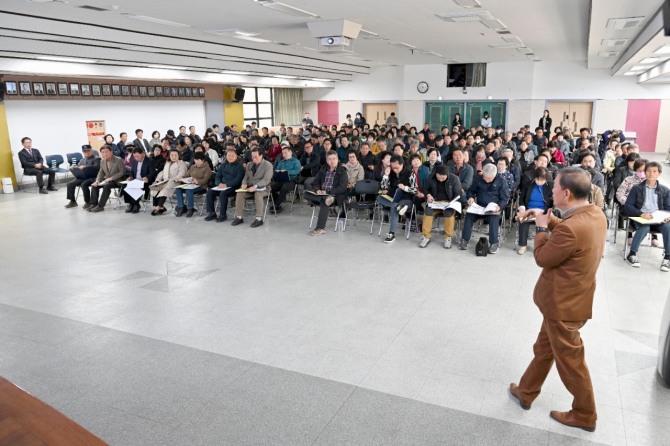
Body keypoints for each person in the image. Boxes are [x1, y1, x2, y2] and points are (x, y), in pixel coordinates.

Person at [510, 167, 606, 433]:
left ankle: (585, 414)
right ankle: (527, 391)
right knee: (544, 348)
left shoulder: (573, 228)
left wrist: (541, 229)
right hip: (570, 300)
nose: (550, 191)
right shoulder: (594, 214)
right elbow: (570, 234)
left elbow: (543, 256)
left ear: (566, 192)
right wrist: (547, 219)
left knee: (571, 362)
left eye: (553, 188)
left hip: (563, 306)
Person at [623, 162, 670, 271]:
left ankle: (667, 258)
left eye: (654, 171)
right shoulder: (636, 188)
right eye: (648, 171)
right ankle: (632, 254)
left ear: (659, 174)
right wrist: (641, 214)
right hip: (641, 218)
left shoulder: (665, 190)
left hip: (658, 219)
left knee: (668, 227)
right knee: (645, 228)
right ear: (645, 172)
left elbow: (668, 207)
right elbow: (628, 206)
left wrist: (668, 216)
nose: (651, 174)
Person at [458, 163, 510, 253]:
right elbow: (471, 191)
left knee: (494, 219)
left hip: (492, 209)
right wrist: (470, 198)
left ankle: (494, 243)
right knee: (469, 215)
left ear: (494, 175)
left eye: (489, 178)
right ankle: (464, 240)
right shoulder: (478, 179)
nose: (486, 180)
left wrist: (499, 206)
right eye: (485, 177)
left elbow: (505, 198)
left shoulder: (501, 181)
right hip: (479, 207)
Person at [419, 164, 463, 249]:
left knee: (449, 214)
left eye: (443, 178)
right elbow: (425, 188)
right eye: (439, 178)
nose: (441, 180)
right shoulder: (431, 177)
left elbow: (458, 193)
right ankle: (426, 236)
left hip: (448, 202)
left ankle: (448, 237)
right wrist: (428, 196)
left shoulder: (454, 179)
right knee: (427, 212)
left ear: (447, 174)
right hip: (435, 201)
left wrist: (452, 202)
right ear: (436, 174)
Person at [306, 150, 348, 236]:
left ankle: (320, 228)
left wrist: (328, 192)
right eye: (330, 159)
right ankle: (325, 198)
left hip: (334, 195)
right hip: (322, 194)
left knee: (325, 201)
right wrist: (317, 190)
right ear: (327, 161)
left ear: (337, 159)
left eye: (334, 159)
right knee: (306, 194)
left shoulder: (342, 171)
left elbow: (342, 187)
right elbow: (316, 182)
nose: (332, 161)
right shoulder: (323, 169)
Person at [375, 155, 416, 244]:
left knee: (395, 207)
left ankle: (391, 234)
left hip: (406, 198)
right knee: (379, 197)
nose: (395, 170)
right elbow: (383, 187)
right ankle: (398, 206)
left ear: (402, 164)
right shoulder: (391, 172)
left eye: (397, 168)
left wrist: (405, 188)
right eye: (393, 168)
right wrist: (386, 175)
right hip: (393, 198)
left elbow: (415, 190)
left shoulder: (410, 173)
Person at [231, 148, 274, 228]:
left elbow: (266, 180)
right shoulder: (249, 165)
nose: (253, 159)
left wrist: (256, 186)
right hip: (250, 188)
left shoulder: (268, 165)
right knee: (240, 193)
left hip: (263, 188)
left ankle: (259, 219)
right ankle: (239, 217)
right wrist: (244, 184)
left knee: (258, 194)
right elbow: (246, 177)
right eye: (252, 157)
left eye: (255, 157)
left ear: (261, 156)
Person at [516, 167, 553, 255]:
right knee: (523, 221)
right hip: (529, 210)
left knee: (542, 224)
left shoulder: (550, 186)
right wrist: (522, 207)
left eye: (542, 180)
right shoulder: (528, 184)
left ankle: (540, 247)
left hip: (543, 211)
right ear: (534, 177)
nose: (540, 182)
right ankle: (522, 245)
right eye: (538, 180)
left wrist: (546, 211)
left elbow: (552, 201)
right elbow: (522, 198)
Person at [204, 149, 245, 222]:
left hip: (233, 187)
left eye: (232, 156)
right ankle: (212, 213)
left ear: (236, 157)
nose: (230, 157)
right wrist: (219, 183)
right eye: (229, 155)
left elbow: (238, 180)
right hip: (221, 186)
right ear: (226, 156)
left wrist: (227, 185)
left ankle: (223, 214)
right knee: (210, 192)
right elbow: (218, 176)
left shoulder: (239, 167)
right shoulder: (223, 165)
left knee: (223, 194)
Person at [89, 145, 126, 213]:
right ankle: (94, 204)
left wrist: (112, 178)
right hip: (107, 180)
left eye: (106, 152)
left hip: (117, 180)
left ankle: (100, 206)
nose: (104, 154)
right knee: (94, 185)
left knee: (106, 186)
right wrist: (97, 181)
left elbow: (122, 172)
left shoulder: (118, 160)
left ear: (111, 152)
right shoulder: (102, 161)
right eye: (102, 152)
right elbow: (101, 172)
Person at [174, 152, 212, 218]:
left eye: (198, 160)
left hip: (202, 186)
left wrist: (196, 181)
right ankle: (181, 207)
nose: (196, 162)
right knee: (178, 189)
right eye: (195, 160)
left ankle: (190, 208)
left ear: (203, 160)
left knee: (188, 191)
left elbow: (206, 180)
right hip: (191, 185)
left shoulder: (207, 168)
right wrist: (181, 178)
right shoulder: (192, 167)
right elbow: (187, 175)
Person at [150, 149, 187, 215]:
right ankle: (160, 207)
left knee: (165, 188)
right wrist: (157, 180)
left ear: (178, 156)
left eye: (176, 155)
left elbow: (182, 173)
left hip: (175, 181)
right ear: (169, 156)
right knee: (155, 187)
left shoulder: (181, 163)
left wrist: (173, 179)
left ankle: (159, 207)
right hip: (165, 180)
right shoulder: (167, 163)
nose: (174, 157)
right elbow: (162, 172)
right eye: (172, 155)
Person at [64, 145, 100, 209]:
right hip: (83, 177)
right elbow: (79, 167)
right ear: (83, 152)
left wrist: (85, 167)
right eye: (85, 151)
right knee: (70, 184)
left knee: (84, 184)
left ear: (91, 150)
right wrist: (74, 167)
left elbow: (96, 167)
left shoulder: (97, 158)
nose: (87, 152)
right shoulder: (82, 160)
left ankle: (88, 202)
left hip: (93, 177)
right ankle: (73, 201)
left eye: (88, 150)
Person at [122, 147, 156, 214]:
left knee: (135, 187)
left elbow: (152, 173)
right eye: (134, 156)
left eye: (137, 156)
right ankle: (131, 204)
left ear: (143, 154)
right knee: (124, 185)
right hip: (135, 180)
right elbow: (132, 172)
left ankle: (136, 205)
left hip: (145, 181)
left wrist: (147, 177)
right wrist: (130, 177)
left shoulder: (150, 161)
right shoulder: (134, 161)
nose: (136, 158)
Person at [270, 145, 302, 213]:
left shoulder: (296, 161)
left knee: (284, 187)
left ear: (290, 152)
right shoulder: (281, 162)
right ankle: (278, 201)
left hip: (292, 181)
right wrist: (277, 172)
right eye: (283, 153)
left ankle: (276, 205)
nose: (284, 155)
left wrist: (287, 172)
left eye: (285, 153)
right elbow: (276, 170)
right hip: (281, 180)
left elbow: (297, 171)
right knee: (271, 187)